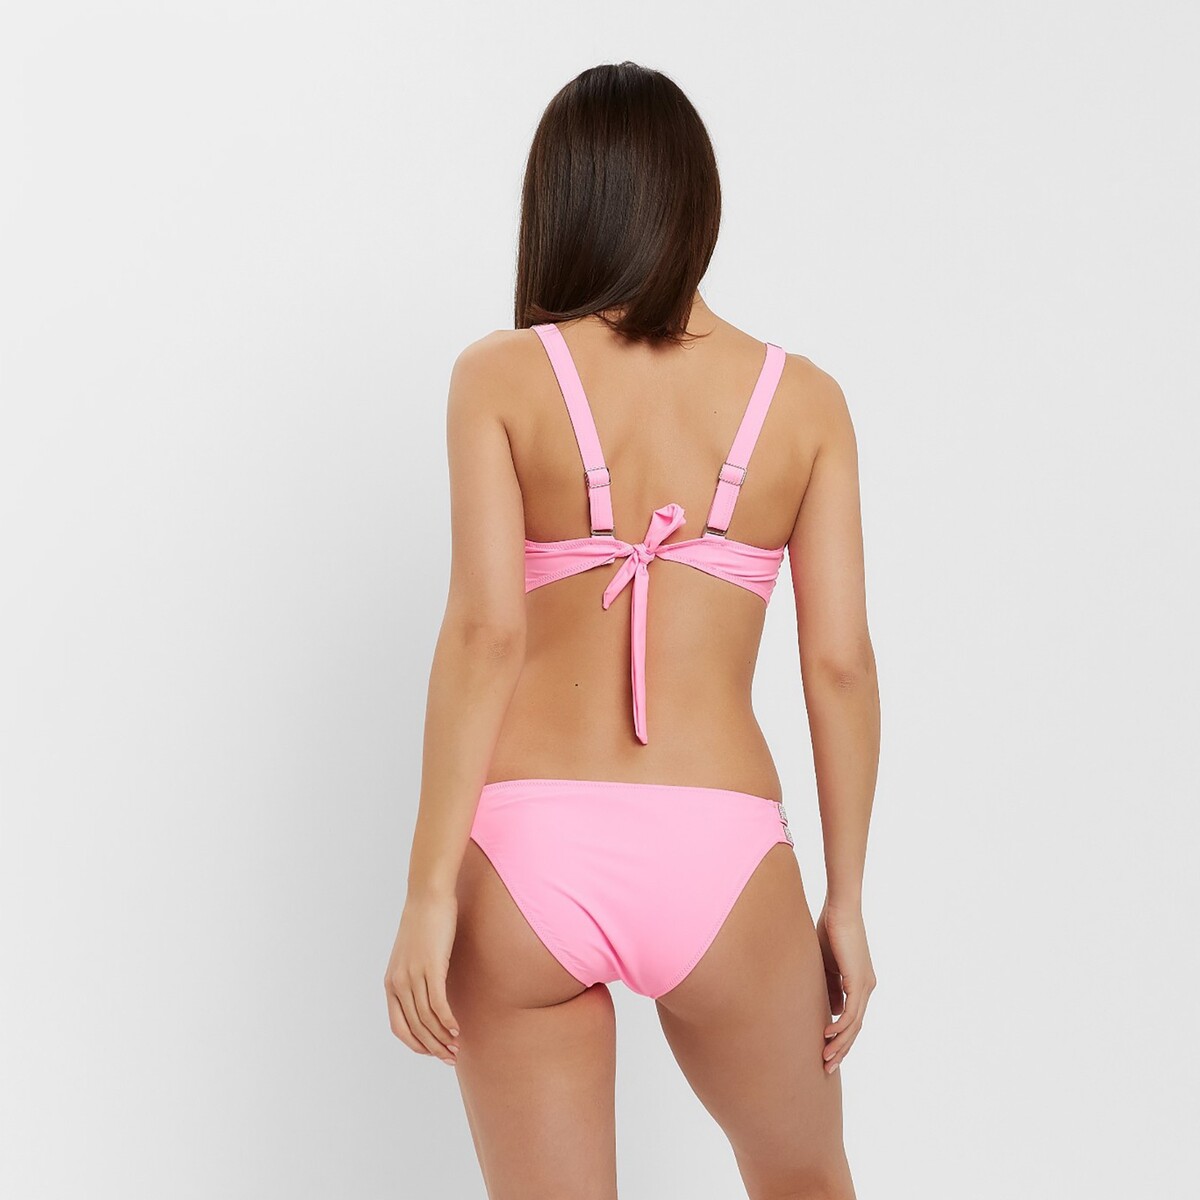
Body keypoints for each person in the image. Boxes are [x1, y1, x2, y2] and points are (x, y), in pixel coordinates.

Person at [385, 61, 880, 1200]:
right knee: (805, 1179)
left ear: (560, 204)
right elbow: (840, 667)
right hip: (721, 854)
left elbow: (484, 636)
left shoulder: (499, 377)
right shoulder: (804, 401)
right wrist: (846, 902)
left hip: (526, 857)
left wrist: (427, 894)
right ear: (698, 203)